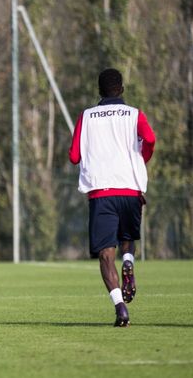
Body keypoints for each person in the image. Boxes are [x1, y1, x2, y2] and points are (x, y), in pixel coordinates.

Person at [69, 69, 155, 327]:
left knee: (106, 254)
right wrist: (141, 158)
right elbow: (150, 139)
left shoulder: (86, 116)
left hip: (101, 191)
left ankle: (120, 308)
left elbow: (74, 156)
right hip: (129, 189)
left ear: (99, 90)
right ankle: (128, 261)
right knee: (127, 237)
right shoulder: (135, 114)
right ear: (122, 89)